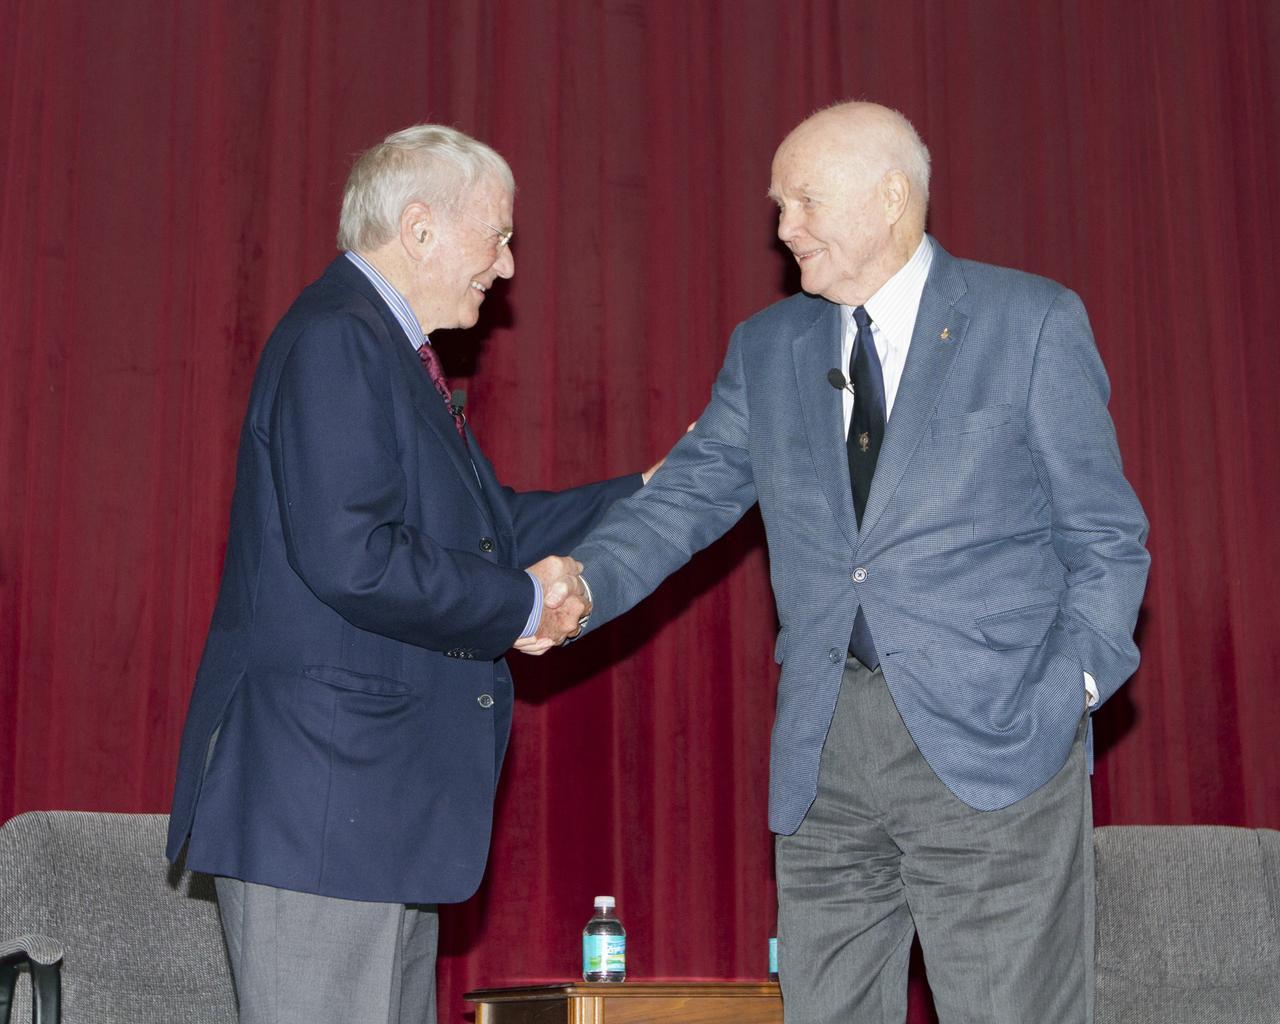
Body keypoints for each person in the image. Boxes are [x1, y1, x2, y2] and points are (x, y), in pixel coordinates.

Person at [557, 102, 1150, 1022]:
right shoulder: (768, 348)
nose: (783, 227)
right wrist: (586, 584)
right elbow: (688, 497)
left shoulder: (1028, 321)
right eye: (777, 204)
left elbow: (1107, 537)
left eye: (803, 200)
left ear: (891, 197)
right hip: (826, 752)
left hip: (996, 739)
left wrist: (1066, 688)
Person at [166, 124, 651, 1024]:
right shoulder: (338, 342)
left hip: (371, 809)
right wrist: (525, 605)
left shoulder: (387, 351)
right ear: (420, 229)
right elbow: (355, 558)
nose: (506, 267)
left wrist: (653, 493)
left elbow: (489, 529)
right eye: (497, 236)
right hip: (322, 806)